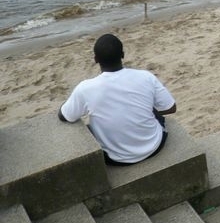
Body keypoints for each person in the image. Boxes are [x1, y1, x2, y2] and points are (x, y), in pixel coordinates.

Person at [58, 33, 177, 166]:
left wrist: (67, 103)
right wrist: (150, 110)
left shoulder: (85, 89)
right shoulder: (145, 77)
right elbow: (171, 108)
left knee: (90, 128)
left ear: (96, 59)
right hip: (154, 146)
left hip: (117, 158)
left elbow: (65, 116)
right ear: (123, 54)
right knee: (154, 114)